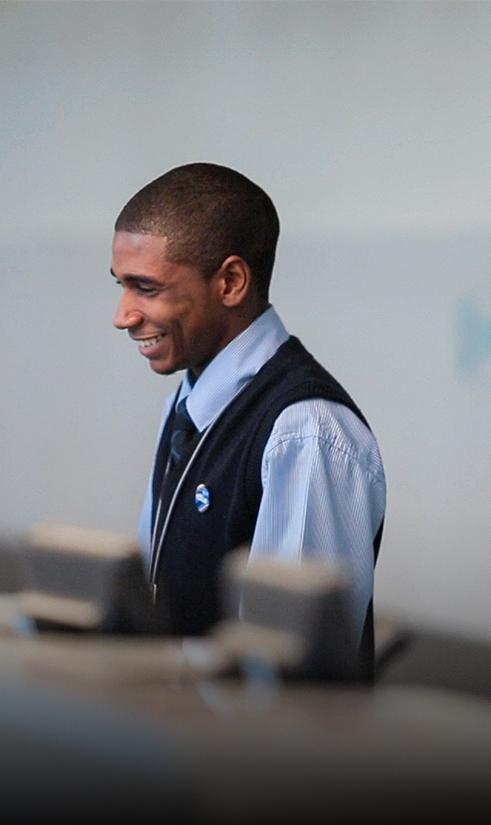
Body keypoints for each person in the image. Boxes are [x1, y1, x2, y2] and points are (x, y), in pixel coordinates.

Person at [110, 163, 386, 680]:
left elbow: (288, 670)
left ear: (232, 282)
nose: (122, 315)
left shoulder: (303, 433)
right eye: (121, 285)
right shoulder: (185, 407)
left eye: (145, 288)